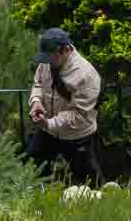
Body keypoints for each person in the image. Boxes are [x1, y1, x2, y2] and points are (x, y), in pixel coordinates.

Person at [27, 28, 102, 186]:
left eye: (51, 57)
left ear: (66, 50)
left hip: (77, 134)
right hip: (48, 130)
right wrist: (36, 102)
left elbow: (80, 114)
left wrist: (49, 123)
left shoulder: (86, 74)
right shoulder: (47, 62)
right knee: (33, 168)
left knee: (89, 183)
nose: (47, 62)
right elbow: (38, 83)